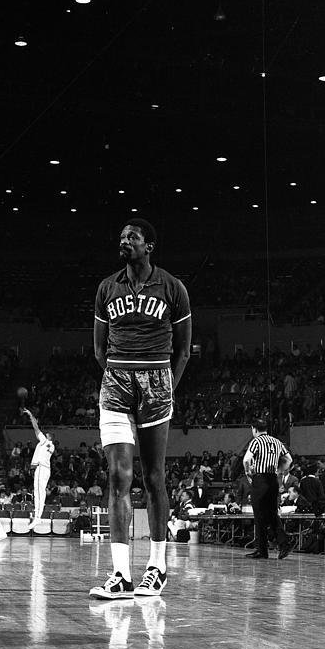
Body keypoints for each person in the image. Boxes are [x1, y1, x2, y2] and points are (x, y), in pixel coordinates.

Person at [90, 218, 191, 599]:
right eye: (121, 237)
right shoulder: (106, 287)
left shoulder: (173, 287)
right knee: (118, 476)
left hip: (157, 380)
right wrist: (122, 375)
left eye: (132, 237)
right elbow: (99, 349)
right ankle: (120, 574)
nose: (124, 241)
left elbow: (182, 350)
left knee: (153, 477)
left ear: (149, 245)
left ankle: (157, 566)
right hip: (116, 380)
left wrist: (165, 387)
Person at [243, 418, 293, 559]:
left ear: (254, 429)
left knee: (259, 515)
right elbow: (289, 459)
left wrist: (248, 473)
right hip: (273, 480)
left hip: (260, 480)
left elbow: (246, 459)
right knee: (271, 514)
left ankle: (262, 550)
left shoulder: (256, 441)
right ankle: (284, 543)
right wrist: (279, 471)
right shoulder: (277, 442)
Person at [24, 410, 54, 525]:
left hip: (41, 468)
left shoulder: (45, 441)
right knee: (40, 492)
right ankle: (38, 515)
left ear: (49, 437)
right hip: (45, 469)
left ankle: (37, 516)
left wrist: (31, 415)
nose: (42, 434)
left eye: (46, 434)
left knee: (38, 492)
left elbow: (36, 428)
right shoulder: (51, 446)